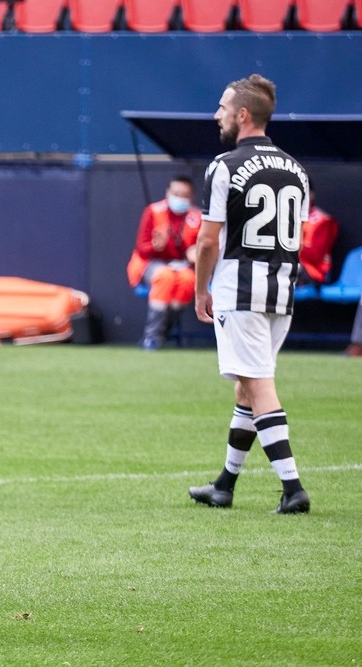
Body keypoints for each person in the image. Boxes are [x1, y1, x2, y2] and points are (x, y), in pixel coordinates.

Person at [189, 73, 310, 515]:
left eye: (222, 107)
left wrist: (201, 287)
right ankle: (224, 485)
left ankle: (293, 487)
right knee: (246, 385)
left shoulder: (224, 165)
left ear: (242, 115)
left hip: (240, 287)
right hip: (282, 290)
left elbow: (207, 240)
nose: (216, 114)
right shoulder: (296, 169)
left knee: (258, 385)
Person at [127, 175, 202, 349]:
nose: (180, 198)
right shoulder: (153, 211)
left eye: (184, 195)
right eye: (176, 193)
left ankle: (164, 331)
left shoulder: (197, 217)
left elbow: (202, 250)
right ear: (168, 193)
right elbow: (142, 248)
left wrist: (196, 255)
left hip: (182, 266)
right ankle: (152, 337)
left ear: (191, 197)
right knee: (165, 277)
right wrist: (156, 246)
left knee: (188, 280)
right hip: (151, 264)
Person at [298, 187, 339, 286]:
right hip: (294, 266)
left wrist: (292, 247)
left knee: (288, 267)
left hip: (315, 272)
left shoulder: (323, 220)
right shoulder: (286, 218)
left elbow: (316, 255)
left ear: (311, 194)